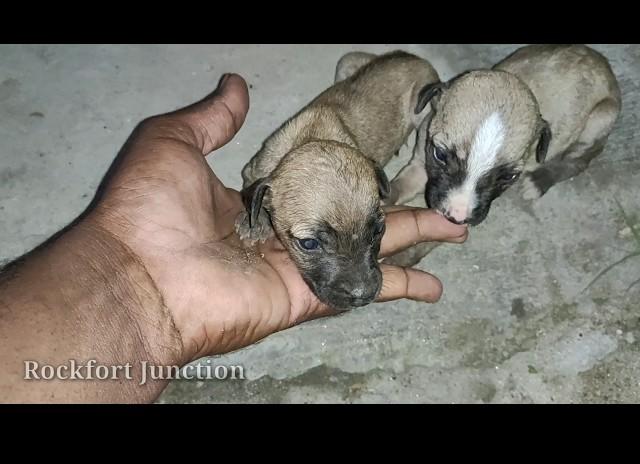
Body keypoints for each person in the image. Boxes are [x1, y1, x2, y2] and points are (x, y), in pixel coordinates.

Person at [0, 74, 467, 403]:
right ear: (260, 201)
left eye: (375, 230)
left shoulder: (356, 176)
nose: (363, 284)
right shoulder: (265, 188)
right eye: (311, 242)